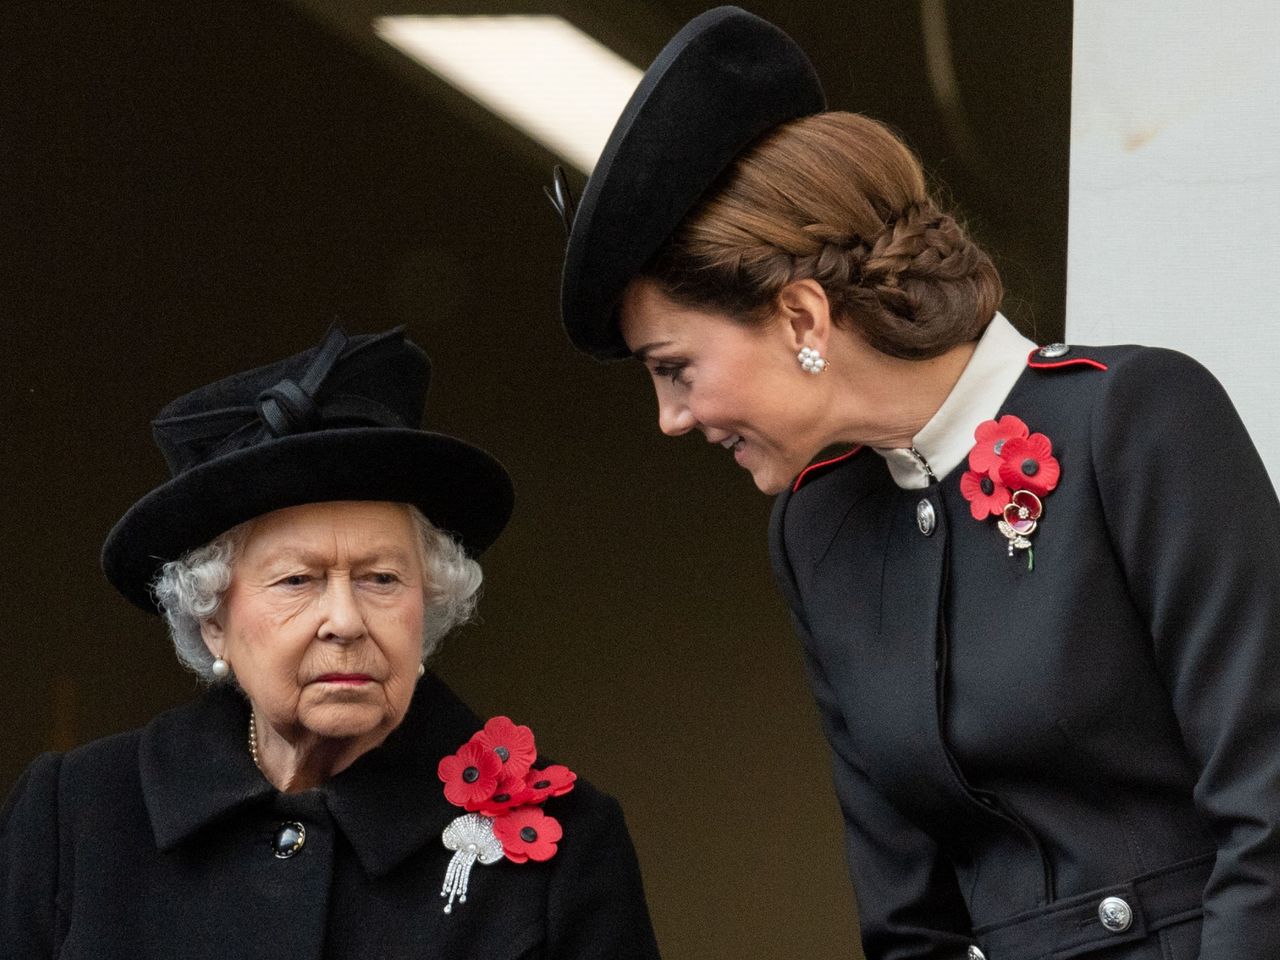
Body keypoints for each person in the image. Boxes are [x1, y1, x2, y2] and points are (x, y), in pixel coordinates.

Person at [545, 6, 1280, 959]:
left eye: (675, 367)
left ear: (803, 317)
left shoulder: (1135, 418)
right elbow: (904, 916)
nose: (671, 418)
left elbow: (1270, 809)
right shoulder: (817, 528)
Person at [0, 326, 661, 959]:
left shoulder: (565, 843)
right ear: (212, 619)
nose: (344, 620)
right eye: (297, 580)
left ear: (425, 607)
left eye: (381, 578)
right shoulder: (75, 815)